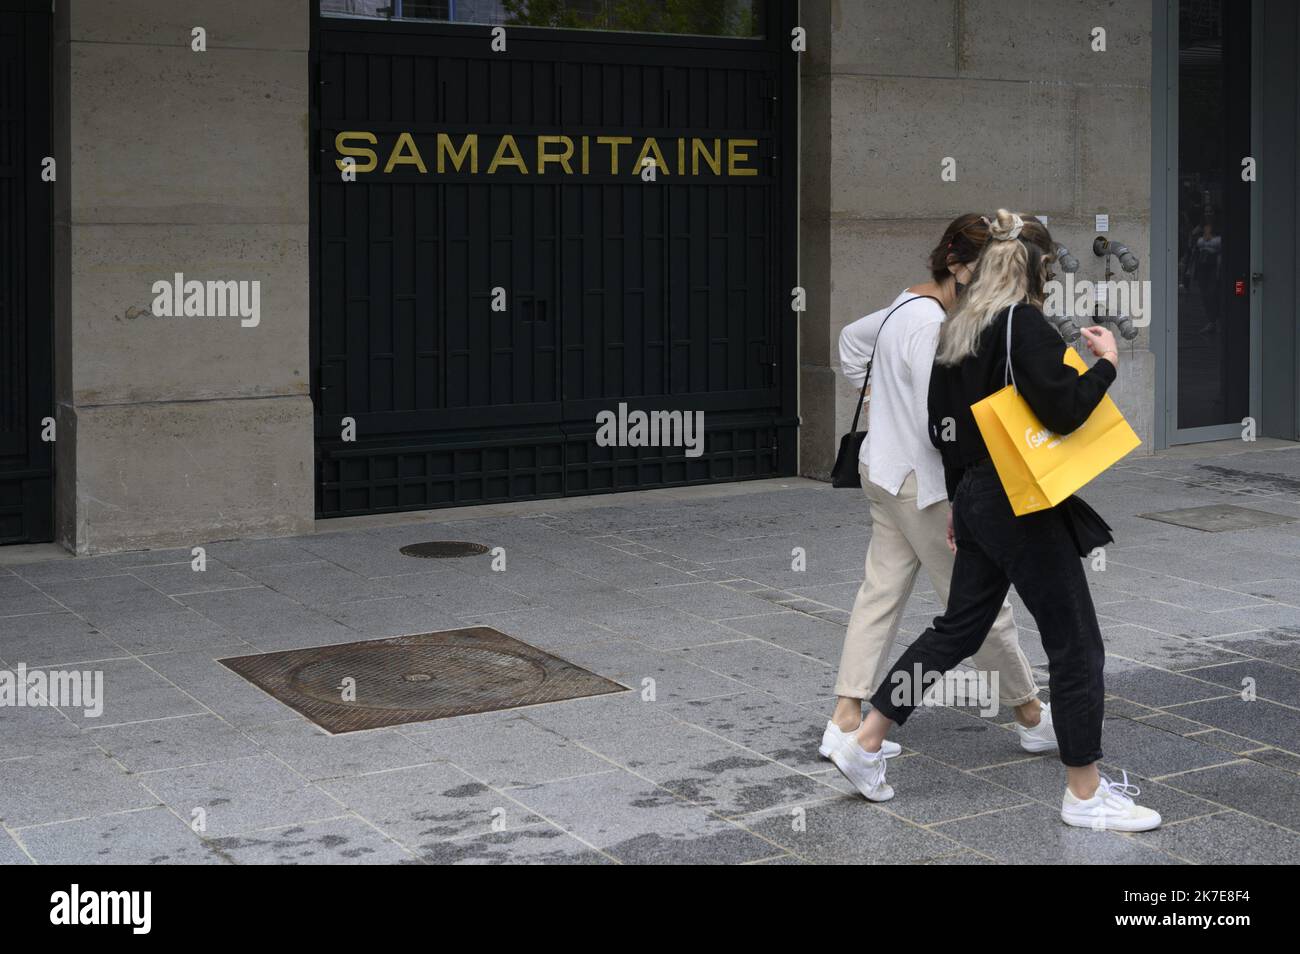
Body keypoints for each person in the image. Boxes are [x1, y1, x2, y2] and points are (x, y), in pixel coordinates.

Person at [832, 210, 1161, 832]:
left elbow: (943, 429)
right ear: (1040, 269)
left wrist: (962, 501)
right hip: (1020, 501)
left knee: (958, 628)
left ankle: (866, 739)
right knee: (1076, 644)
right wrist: (1107, 364)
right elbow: (1064, 410)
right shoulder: (1023, 324)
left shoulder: (959, 326)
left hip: (978, 496)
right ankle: (1085, 793)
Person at [822, 213, 1056, 764]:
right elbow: (944, 424)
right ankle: (1030, 714)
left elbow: (852, 342)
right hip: (923, 487)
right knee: (978, 605)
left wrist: (881, 401)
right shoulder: (934, 327)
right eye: (988, 270)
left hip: (883, 471)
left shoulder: (905, 305)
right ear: (958, 266)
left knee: (880, 593)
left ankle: (844, 718)